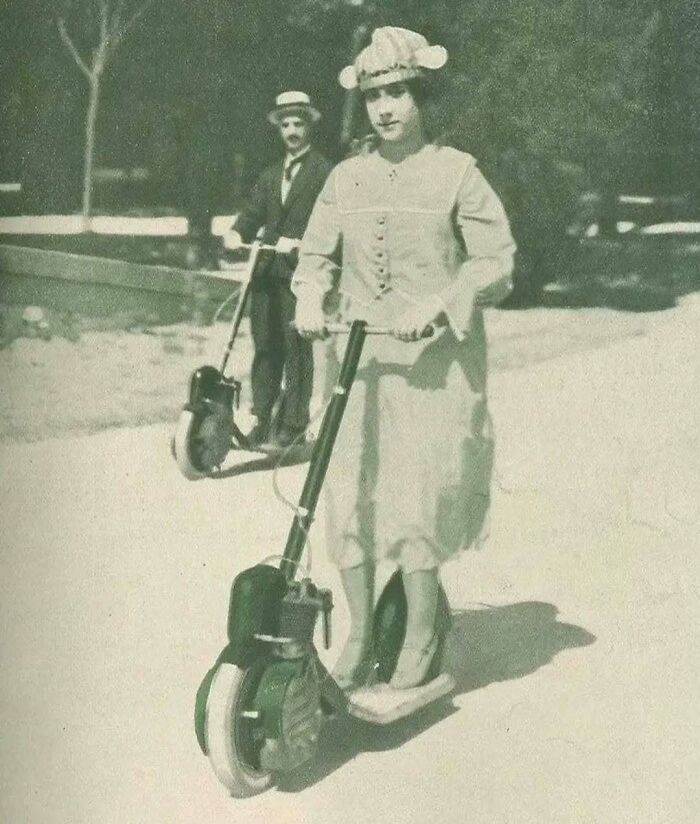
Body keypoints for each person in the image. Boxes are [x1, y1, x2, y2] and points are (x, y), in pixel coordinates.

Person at [292, 28, 516, 690]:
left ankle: (421, 632)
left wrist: (446, 300)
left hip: (432, 370)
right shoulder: (346, 177)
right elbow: (314, 255)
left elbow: (496, 262)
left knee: (419, 500)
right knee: (350, 496)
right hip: (357, 363)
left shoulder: (457, 173)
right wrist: (309, 293)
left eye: (397, 94)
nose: (386, 109)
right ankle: (360, 633)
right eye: (374, 98)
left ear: (419, 96)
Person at [224, 92, 333, 448]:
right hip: (267, 272)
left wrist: (302, 241)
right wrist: (237, 231)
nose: (291, 131)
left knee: (296, 348)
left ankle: (294, 423)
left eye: (298, 123)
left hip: (301, 274)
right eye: (285, 125)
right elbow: (254, 210)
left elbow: (329, 220)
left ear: (310, 126)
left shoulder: (323, 172)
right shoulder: (271, 175)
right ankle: (261, 418)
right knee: (265, 346)